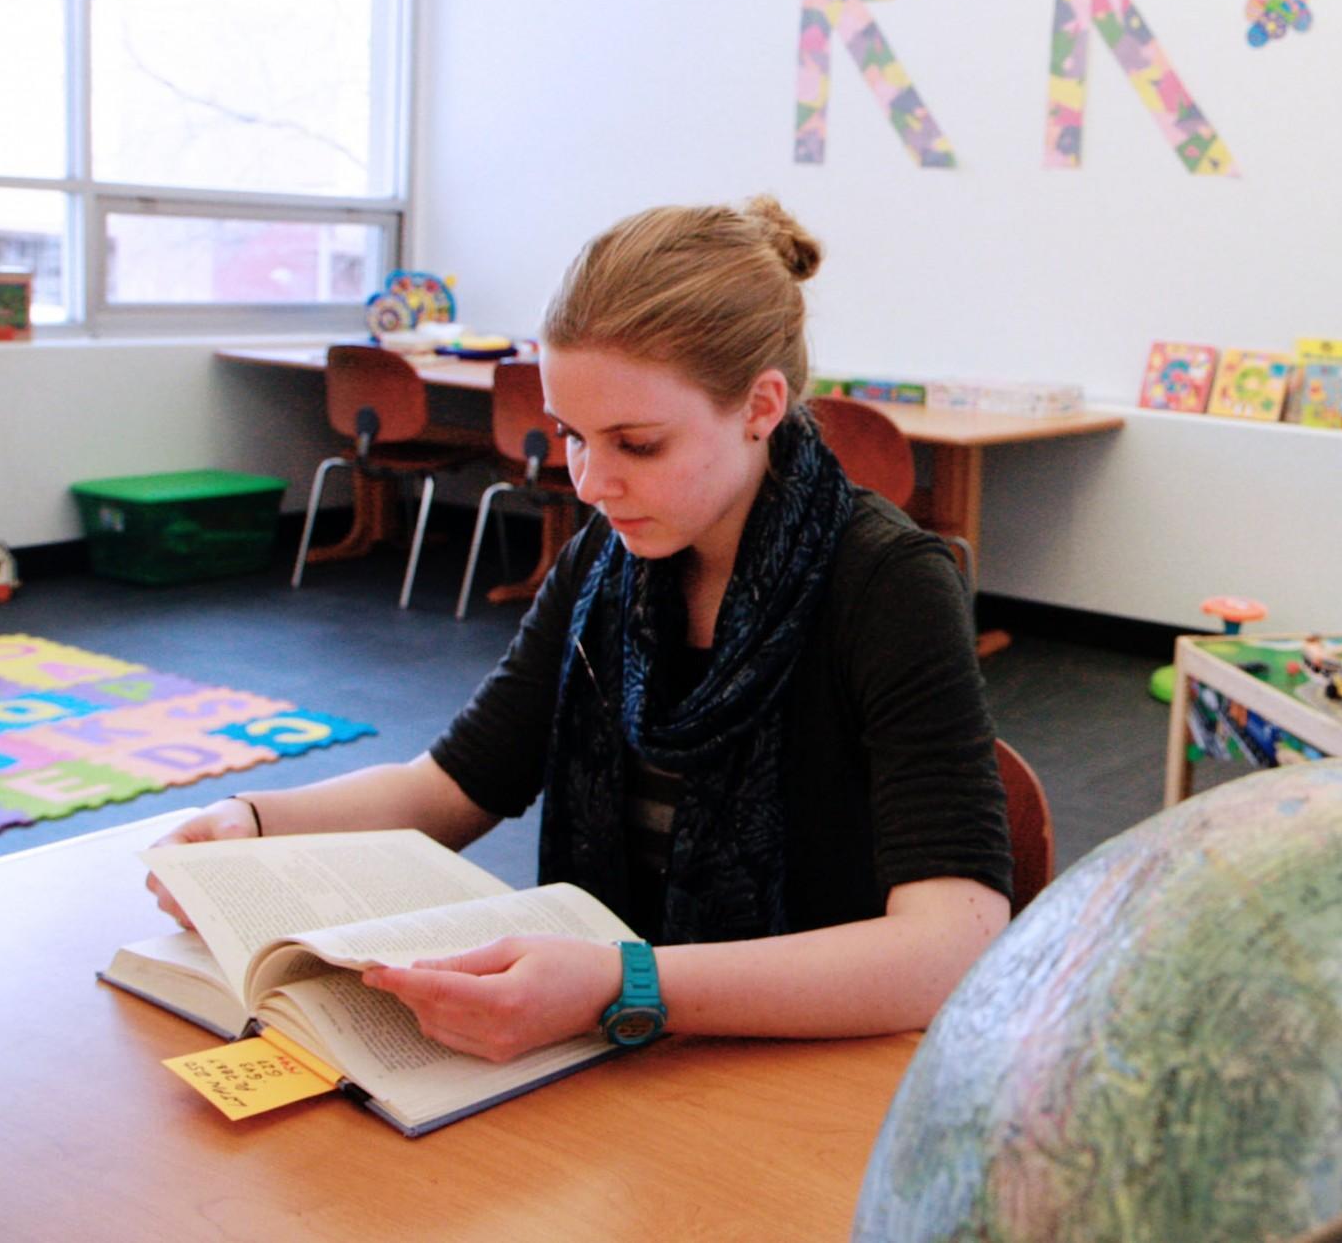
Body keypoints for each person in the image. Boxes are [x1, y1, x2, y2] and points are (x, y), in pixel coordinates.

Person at [148, 196, 1013, 1062]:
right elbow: (449, 786)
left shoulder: (888, 584)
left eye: (637, 445)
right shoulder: (613, 561)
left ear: (760, 406)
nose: (593, 484)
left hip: (808, 1065)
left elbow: (948, 948)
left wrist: (624, 984)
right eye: (573, 438)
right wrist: (253, 820)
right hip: (622, 1047)